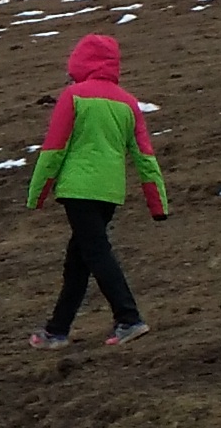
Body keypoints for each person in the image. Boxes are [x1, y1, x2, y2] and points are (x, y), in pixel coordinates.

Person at [21, 32, 167, 346]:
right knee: (79, 258)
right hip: (110, 193)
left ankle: (129, 318)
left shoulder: (73, 96)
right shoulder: (127, 102)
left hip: (78, 190)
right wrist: (157, 203)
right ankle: (56, 330)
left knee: (96, 253)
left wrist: (37, 194)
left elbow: (53, 150)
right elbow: (144, 156)